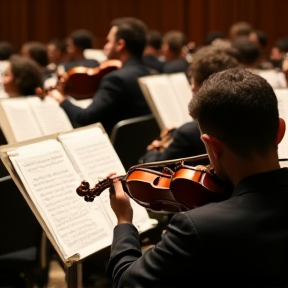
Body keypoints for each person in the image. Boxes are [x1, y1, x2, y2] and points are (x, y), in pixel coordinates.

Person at [107, 67, 288, 287]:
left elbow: (126, 281)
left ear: (213, 146)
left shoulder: (199, 227)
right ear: (280, 131)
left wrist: (124, 222)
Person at [48, 17, 151, 135]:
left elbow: (85, 118)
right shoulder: (150, 73)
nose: (106, 46)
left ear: (120, 44)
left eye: (109, 41)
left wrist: (62, 99)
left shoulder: (116, 79)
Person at [143, 45, 238, 162]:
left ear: (195, 87)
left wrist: (153, 150)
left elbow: (155, 166)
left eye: (191, 81)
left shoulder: (188, 133)